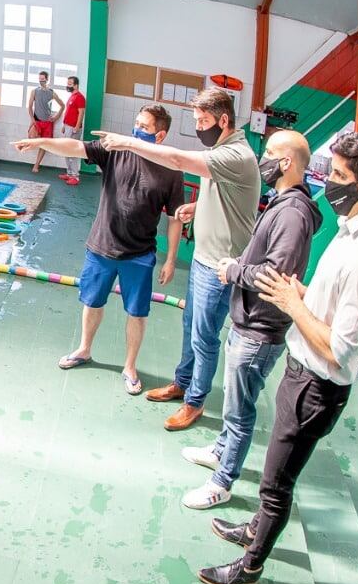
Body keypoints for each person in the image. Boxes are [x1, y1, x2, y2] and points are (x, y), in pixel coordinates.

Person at [199, 132, 358, 584]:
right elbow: (329, 309)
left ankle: (251, 566)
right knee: (272, 470)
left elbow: (339, 349)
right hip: (300, 372)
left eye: (341, 177)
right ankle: (254, 531)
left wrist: (291, 302)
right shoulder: (348, 234)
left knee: (276, 484)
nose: (330, 184)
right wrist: (305, 296)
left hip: (316, 388)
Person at [98, 87, 261, 431]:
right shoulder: (222, 148)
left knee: (204, 336)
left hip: (221, 265)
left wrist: (127, 142)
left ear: (224, 120)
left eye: (203, 121)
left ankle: (195, 401)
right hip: (204, 258)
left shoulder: (237, 155)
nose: (199, 128)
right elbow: (230, 199)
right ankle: (182, 383)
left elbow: (175, 160)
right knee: (190, 328)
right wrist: (196, 207)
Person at [179, 131, 321, 509]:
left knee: (239, 410)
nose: (265, 159)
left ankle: (221, 482)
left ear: (287, 162)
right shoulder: (281, 203)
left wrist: (234, 270)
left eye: (271, 153)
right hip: (249, 320)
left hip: (260, 328)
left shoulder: (292, 213)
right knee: (232, 401)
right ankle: (221, 450)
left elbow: (276, 274)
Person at [16, 104, 183, 394]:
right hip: (102, 246)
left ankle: (129, 366)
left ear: (160, 135)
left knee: (137, 313)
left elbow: (175, 218)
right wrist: (41, 141)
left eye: (145, 127)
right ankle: (84, 349)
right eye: (137, 122)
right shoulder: (115, 149)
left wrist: (170, 259)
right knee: (92, 302)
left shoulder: (171, 170)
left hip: (140, 255)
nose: (137, 129)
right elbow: (75, 147)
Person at [25, 70, 65, 173]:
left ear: (47, 79)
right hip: (37, 121)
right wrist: (33, 120)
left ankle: (36, 165)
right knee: (31, 138)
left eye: (43, 79)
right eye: (39, 79)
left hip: (48, 123)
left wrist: (56, 117)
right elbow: (29, 107)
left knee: (44, 145)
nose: (41, 81)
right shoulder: (34, 91)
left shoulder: (51, 93)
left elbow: (62, 105)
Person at [59, 75, 86, 186]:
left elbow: (81, 113)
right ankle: (69, 174)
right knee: (66, 151)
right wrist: (64, 125)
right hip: (68, 126)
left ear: (76, 85)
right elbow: (68, 111)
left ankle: (75, 176)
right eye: (68, 83)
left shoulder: (80, 97)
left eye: (70, 84)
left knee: (72, 152)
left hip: (74, 128)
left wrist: (77, 126)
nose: (68, 85)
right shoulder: (71, 96)